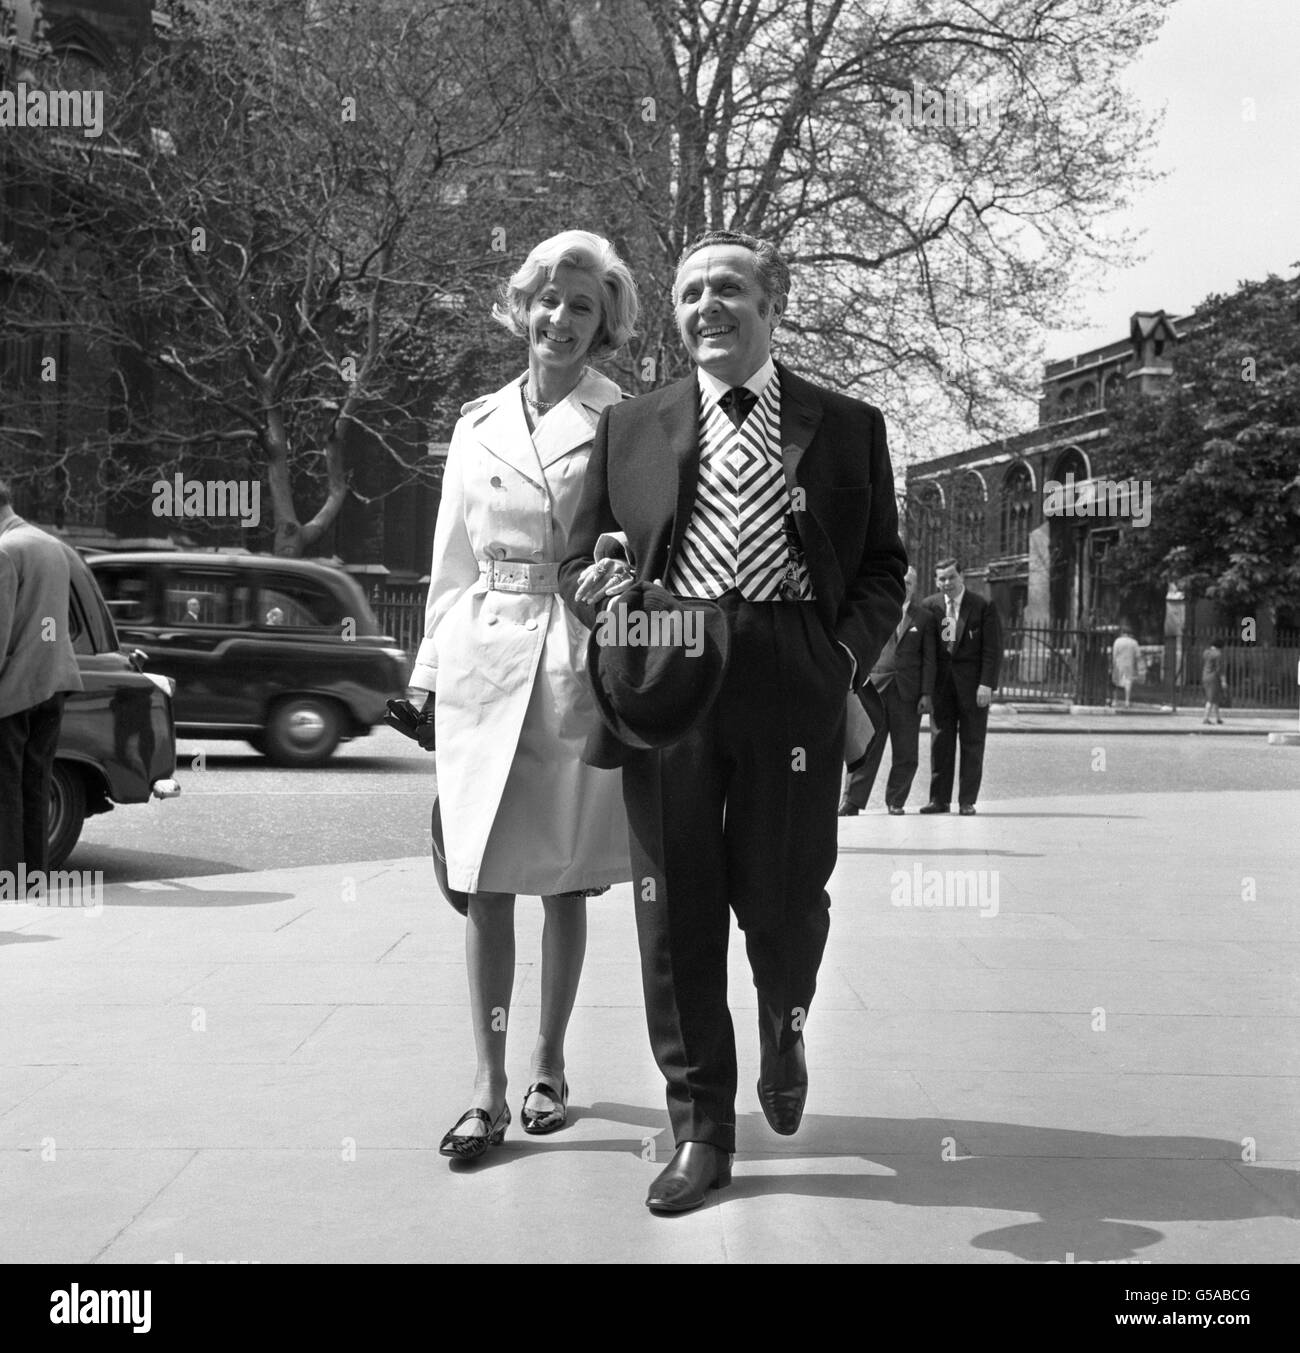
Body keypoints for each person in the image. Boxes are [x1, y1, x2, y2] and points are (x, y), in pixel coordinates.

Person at [560, 229, 906, 1211]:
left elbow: (883, 565)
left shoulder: (847, 426)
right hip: (669, 671)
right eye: (688, 293)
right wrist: (599, 593)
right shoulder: (629, 426)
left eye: (727, 289)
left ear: (771, 301)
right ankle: (701, 1128)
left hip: (793, 667)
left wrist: (836, 660)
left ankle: (783, 1021)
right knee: (674, 912)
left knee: (788, 900)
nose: (705, 306)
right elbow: (578, 560)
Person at [407, 230, 640, 1161]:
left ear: (605, 322)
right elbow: (449, 563)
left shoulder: (627, 417)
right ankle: (486, 1085)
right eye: (547, 298)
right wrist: (424, 675)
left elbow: (638, 538)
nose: (560, 317)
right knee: (485, 877)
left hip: (574, 660)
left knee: (567, 872)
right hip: (481, 659)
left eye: (581, 305)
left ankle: (549, 1063)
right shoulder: (475, 422)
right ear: (523, 307)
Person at [0, 478, 84, 890]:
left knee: (5, 788)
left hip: (14, 688)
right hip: (55, 679)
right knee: (36, 781)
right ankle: (34, 876)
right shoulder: (50, 544)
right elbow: (51, 623)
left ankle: (9, 881)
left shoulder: (4, 551)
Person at [839, 565, 937, 815]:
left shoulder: (924, 618)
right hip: (875, 689)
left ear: (915, 587)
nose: (904, 587)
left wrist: (926, 693)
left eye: (910, 583)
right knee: (866, 747)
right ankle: (852, 801)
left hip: (908, 694)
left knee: (906, 751)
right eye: (901, 581)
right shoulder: (876, 611)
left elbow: (929, 659)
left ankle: (896, 801)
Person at [919, 557, 1001, 816]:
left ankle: (967, 800)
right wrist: (927, 689)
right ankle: (939, 800)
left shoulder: (982, 606)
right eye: (941, 578)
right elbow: (927, 652)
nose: (947, 583)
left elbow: (992, 650)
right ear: (935, 581)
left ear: (962, 576)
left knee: (972, 742)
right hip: (942, 689)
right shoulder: (930, 607)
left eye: (951, 577)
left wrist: (986, 684)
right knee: (940, 742)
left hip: (973, 688)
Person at [1111, 625, 1142, 708]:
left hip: (1118, 664)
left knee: (1116, 682)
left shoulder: (1117, 641)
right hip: (1129, 665)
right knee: (1128, 682)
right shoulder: (1134, 642)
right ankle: (1127, 701)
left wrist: (1113, 664)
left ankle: (1115, 700)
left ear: (1122, 633)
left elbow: (1114, 654)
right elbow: (1138, 656)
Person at [1201, 638, 1224, 724]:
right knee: (1211, 699)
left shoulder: (1206, 652)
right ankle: (1205, 718)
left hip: (1205, 675)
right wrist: (1223, 680)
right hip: (1213, 678)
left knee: (1215, 698)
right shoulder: (1218, 654)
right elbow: (1219, 669)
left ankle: (1218, 718)